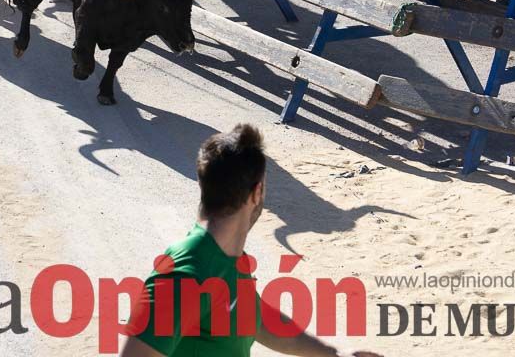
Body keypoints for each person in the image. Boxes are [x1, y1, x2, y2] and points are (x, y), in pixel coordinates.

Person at [120, 125, 383, 357]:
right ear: (257, 192)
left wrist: (335, 354)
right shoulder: (186, 271)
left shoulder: (229, 261)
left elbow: (257, 320)